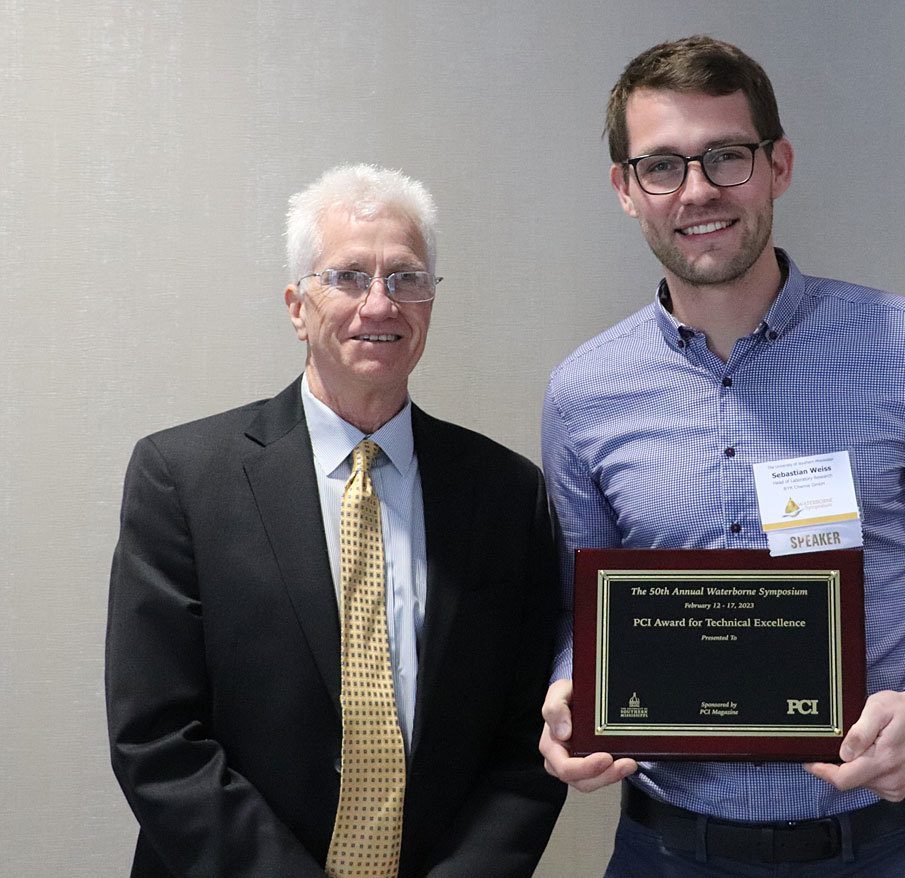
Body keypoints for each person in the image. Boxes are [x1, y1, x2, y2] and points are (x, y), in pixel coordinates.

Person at [539, 36, 905, 876]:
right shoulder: (582, 392)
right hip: (663, 852)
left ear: (778, 164)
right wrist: (573, 689)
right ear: (625, 189)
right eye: (662, 166)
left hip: (876, 852)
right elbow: (585, 610)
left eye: (727, 156)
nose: (699, 190)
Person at [106, 164, 565, 877]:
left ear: (431, 304)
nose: (380, 304)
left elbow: (523, 738)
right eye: (348, 276)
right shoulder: (183, 479)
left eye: (407, 278)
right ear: (298, 306)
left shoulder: (507, 495)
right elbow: (158, 737)